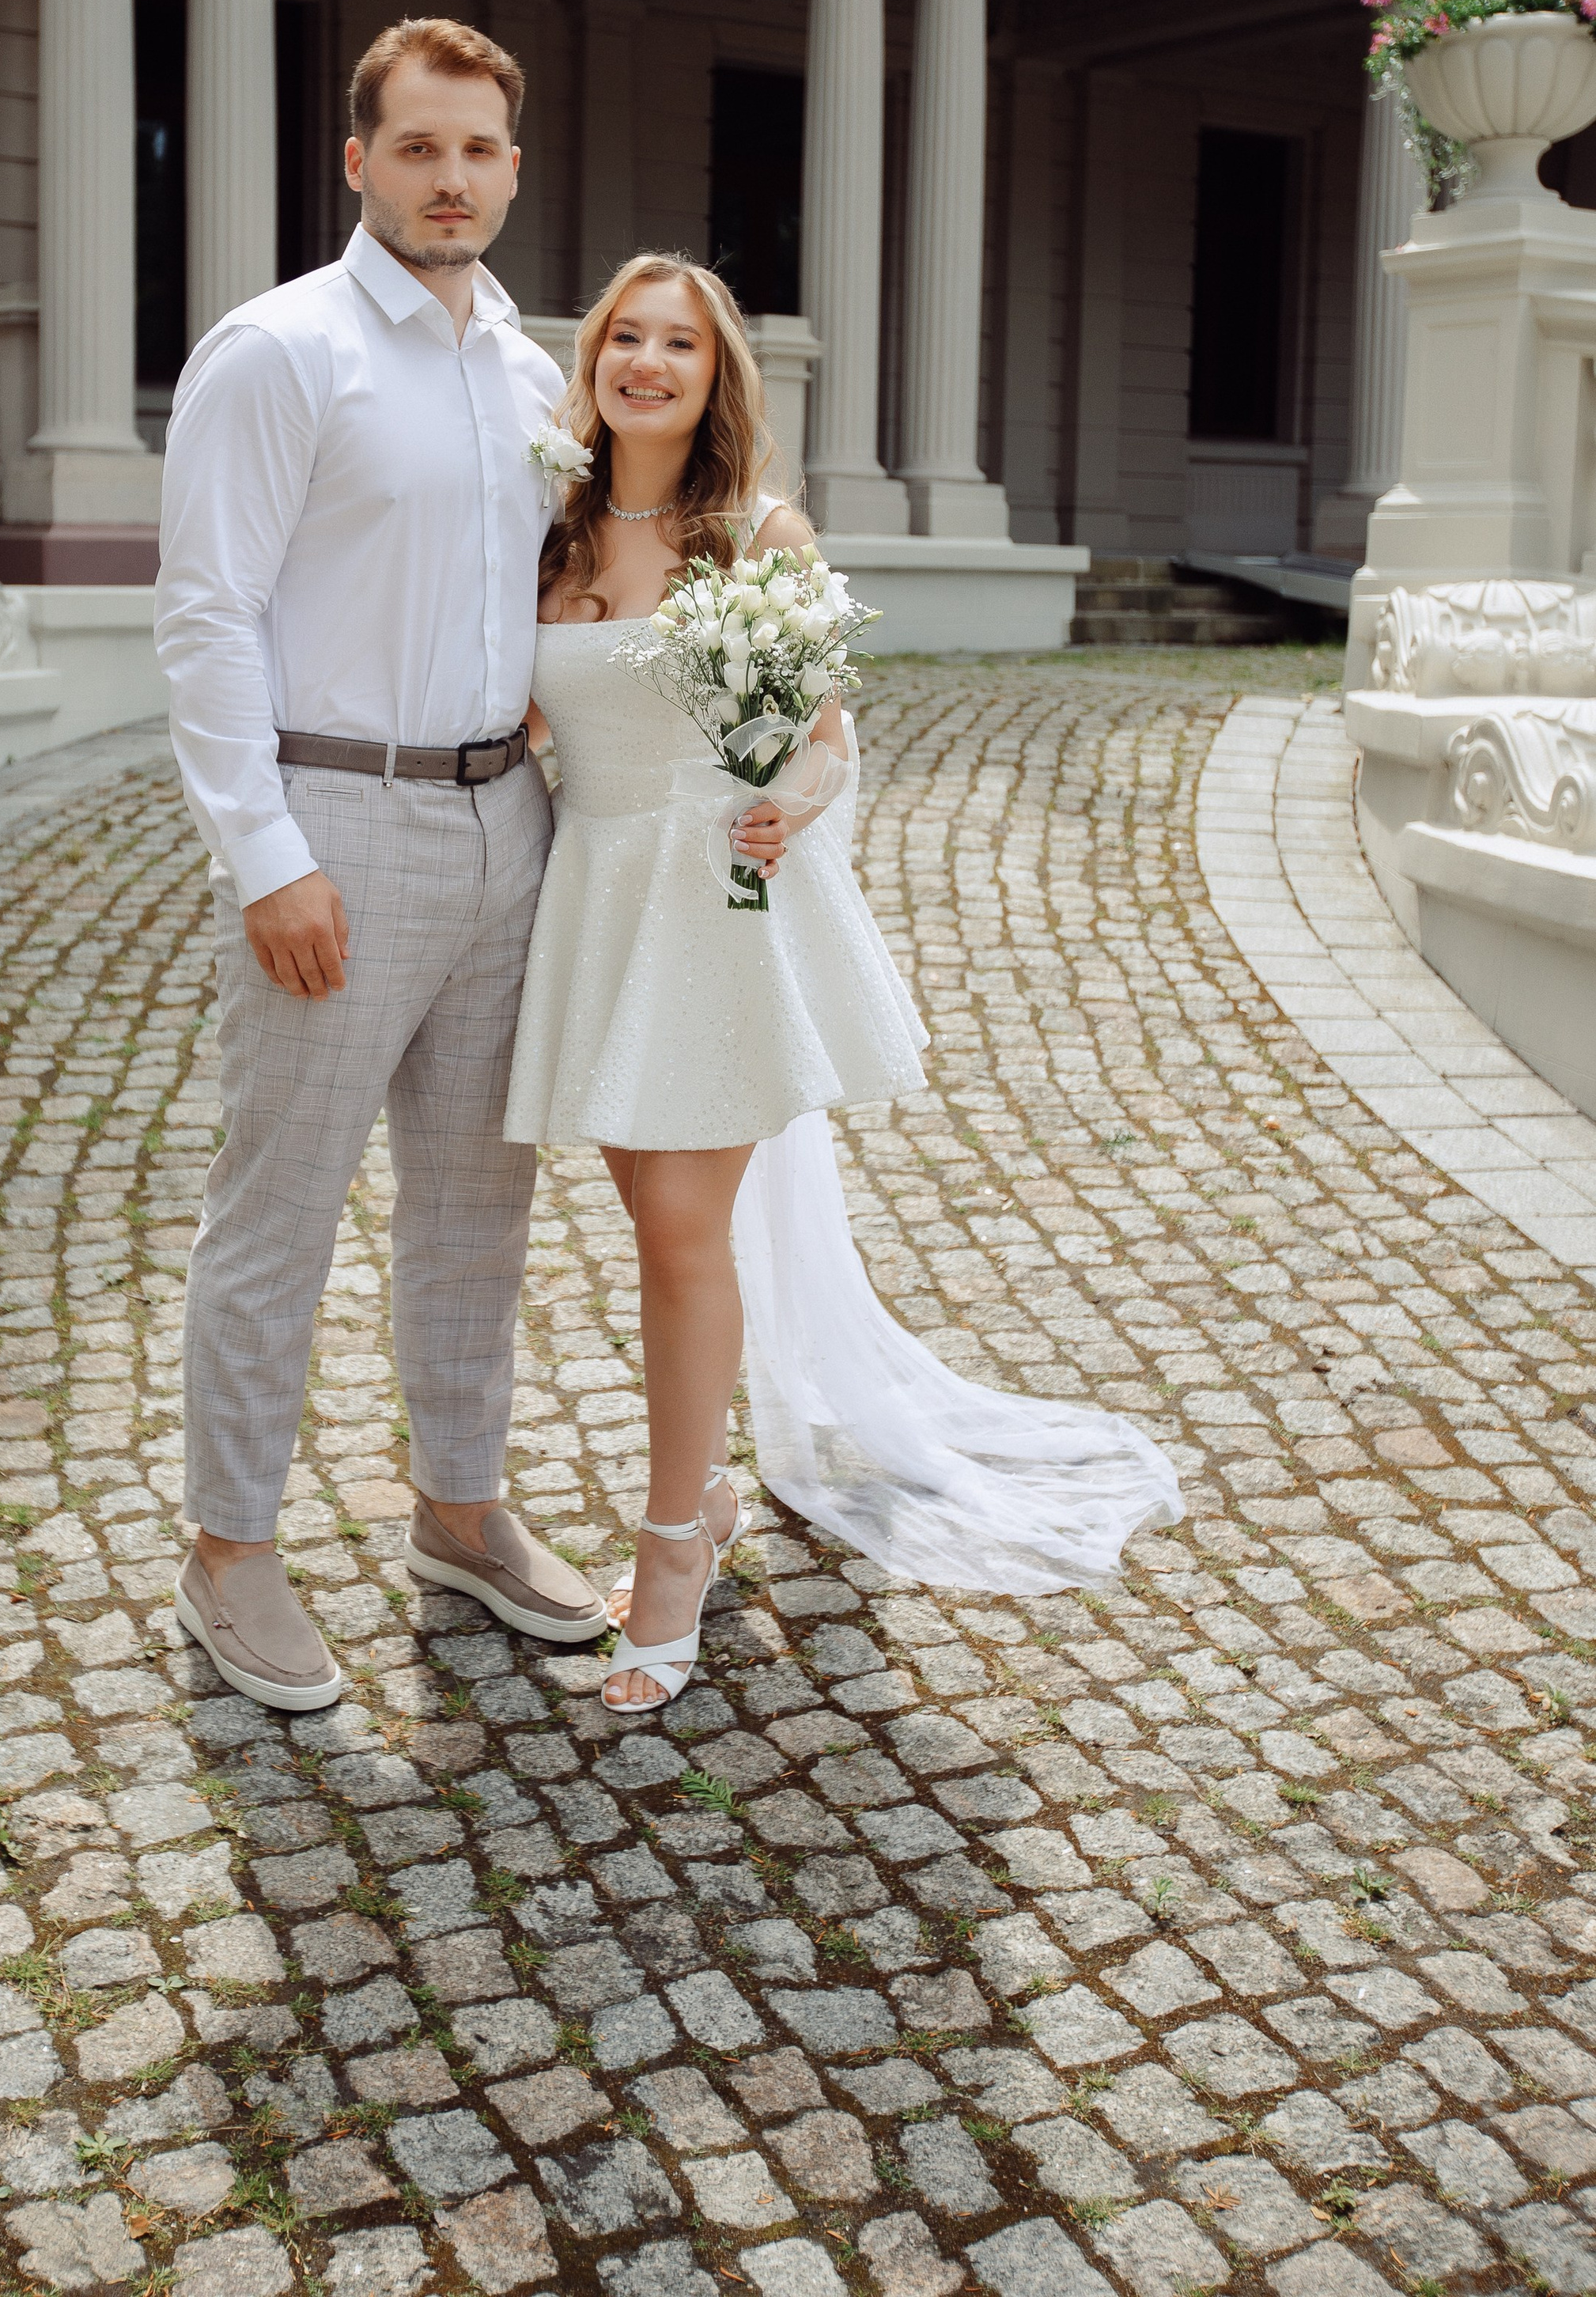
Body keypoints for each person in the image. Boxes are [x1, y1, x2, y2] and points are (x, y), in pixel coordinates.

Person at [505, 252, 1183, 1713]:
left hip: (718, 902)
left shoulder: (760, 532)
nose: (648, 362)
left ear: (714, 371)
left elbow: (825, 735)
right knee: (658, 1220)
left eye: (678, 342)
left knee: (681, 1231)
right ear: (596, 359)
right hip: (599, 896)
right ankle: (715, 1498)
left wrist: (795, 802)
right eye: (626, 335)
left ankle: (675, 1540)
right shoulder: (546, 535)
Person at [154, 16, 607, 1712]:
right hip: (335, 818)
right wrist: (263, 851)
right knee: (277, 1203)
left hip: (513, 825)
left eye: (479, 149)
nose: (450, 178)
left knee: (480, 1204)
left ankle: (456, 1509)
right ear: (357, 162)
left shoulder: (523, 370)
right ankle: (228, 1550)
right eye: (418, 148)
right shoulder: (280, 352)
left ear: (511, 162)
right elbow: (203, 610)